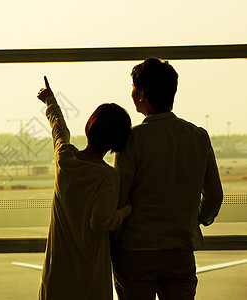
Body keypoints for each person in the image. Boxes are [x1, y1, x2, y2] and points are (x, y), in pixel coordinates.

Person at [112, 58, 224, 300]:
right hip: (180, 248)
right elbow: (214, 195)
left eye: (133, 87)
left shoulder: (131, 140)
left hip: (136, 250)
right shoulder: (198, 136)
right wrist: (198, 220)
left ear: (141, 93)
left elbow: (120, 197)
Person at [37, 76, 133, 300]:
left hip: (56, 277)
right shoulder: (108, 176)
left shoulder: (65, 159)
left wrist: (51, 101)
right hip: (88, 279)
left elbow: (59, 129)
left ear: (90, 126)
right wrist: (126, 210)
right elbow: (100, 222)